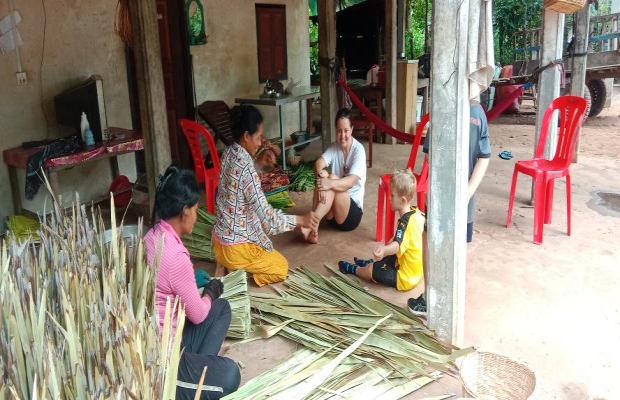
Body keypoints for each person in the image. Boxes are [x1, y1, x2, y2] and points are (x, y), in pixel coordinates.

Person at [144, 166, 240, 400]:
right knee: (231, 374)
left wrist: (206, 294)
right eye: (196, 210)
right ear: (185, 211)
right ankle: (184, 385)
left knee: (221, 309)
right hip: (165, 362)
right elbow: (197, 315)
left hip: (166, 336)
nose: (197, 217)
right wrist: (209, 293)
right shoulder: (177, 256)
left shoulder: (151, 236)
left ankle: (197, 371)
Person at [212, 104, 318, 286]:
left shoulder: (228, 154)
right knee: (280, 267)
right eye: (258, 137)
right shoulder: (247, 169)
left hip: (219, 242)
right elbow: (269, 222)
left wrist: (259, 163)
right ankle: (239, 271)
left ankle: (224, 264)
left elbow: (239, 186)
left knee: (255, 225)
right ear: (246, 136)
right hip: (235, 249)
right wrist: (301, 220)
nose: (261, 142)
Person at [407, 102, 491, 316]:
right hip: (460, 200)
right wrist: (466, 194)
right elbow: (484, 157)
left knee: (434, 241)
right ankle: (446, 299)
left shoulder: (444, 108)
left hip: (443, 196)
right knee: (453, 245)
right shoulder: (478, 113)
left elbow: (430, 157)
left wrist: (461, 194)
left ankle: (431, 297)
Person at [338, 169, 425, 291]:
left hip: (405, 278)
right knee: (389, 248)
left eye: (392, 195)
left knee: (371, 270)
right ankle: (372, 262)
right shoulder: (416, 212)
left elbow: (397, 246)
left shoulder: (405, 224)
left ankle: (355, 269)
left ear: (403, 200)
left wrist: (384, 250)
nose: (389, 198)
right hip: (415, 271)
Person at [301, 108, 367, 243]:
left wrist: (329, 183)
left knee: (332, 178)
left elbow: (350, 181)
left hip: (350, 217)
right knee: (322, 176)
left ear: (352, 129)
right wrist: (321, 177)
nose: (342, 135)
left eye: (346, 130)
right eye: (339, 130)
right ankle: (315, 224)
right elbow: (319, 163)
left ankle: (312, 225)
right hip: (331, 218)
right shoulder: (334, 147)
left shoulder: (358, 150)